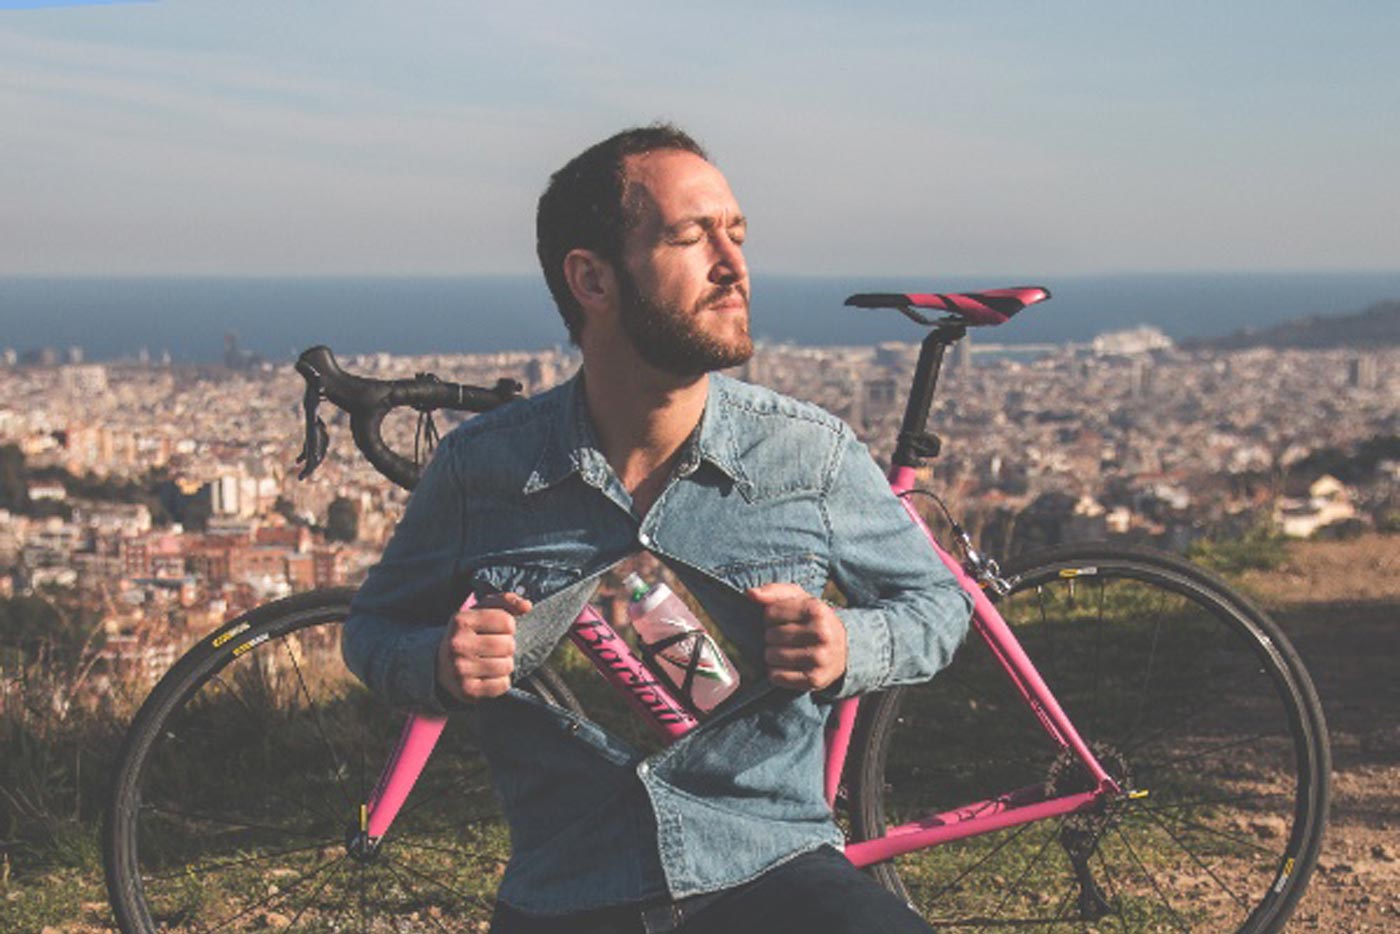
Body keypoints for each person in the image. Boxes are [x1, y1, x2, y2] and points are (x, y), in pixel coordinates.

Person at [343, 125, 974, 933]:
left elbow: (939, 605)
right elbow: (373, 629)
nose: (733, 264)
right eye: (690, 237)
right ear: (592, 279)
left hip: (771, 866)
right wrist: (435, 663)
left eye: (736, 234)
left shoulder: (807, 454)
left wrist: (848, 644)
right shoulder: (482, 469)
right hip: (568, 889)